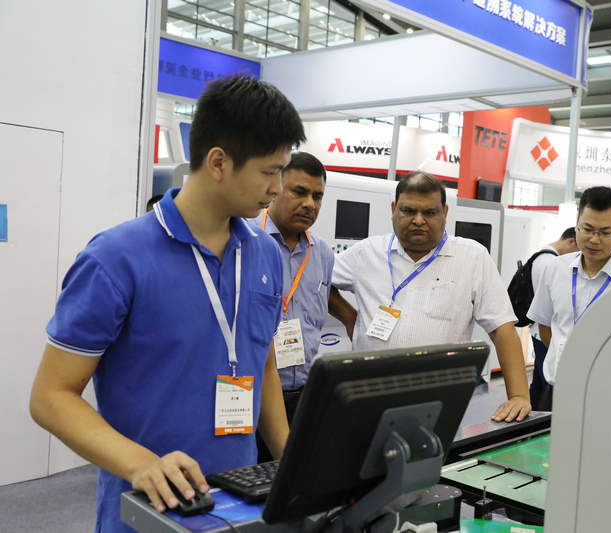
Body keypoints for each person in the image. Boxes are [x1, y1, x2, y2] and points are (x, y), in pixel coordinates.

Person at [29, 75, 306, 533]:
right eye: (269, 171)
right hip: (147, 511)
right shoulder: (115, 258)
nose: (277, 187)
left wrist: (294, 465)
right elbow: (50, 397)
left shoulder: (263, 254)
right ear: (218, 162)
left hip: (241, 507)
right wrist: (141, 463)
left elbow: (265, 364)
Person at [329, 172, 531, 422]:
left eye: (429, 212)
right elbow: (318, 280)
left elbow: (502, 329)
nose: (418, 220)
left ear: (444, 212)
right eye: (408, 211)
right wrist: (349, 318)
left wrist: (518, 396)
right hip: (367, 397)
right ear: (393, 210)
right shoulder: (366, 253)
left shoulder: (472, 258)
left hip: (439, 402)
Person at [527, 186, 611, 410]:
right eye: (587, 229)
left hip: (609, 396)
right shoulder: (556, 268)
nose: (594, 239)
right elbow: (545, 325)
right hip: (557, 391)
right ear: (577, 223)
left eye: (605, 232)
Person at [252, 152, 335, 462]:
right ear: (275, 188)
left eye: (317, 196)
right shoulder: (245, 241)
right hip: (252, 400)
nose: (309, 204)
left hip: (305, 401)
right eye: (299, 192)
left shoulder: (322, 253)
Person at [527, 228, 579, 412]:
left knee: (538, 381)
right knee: (546, 382)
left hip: (539, 331)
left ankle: (533, 415)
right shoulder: (551, 263)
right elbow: (547, 304)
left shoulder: (541, 256)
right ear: (571, 241)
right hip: (545, 333)